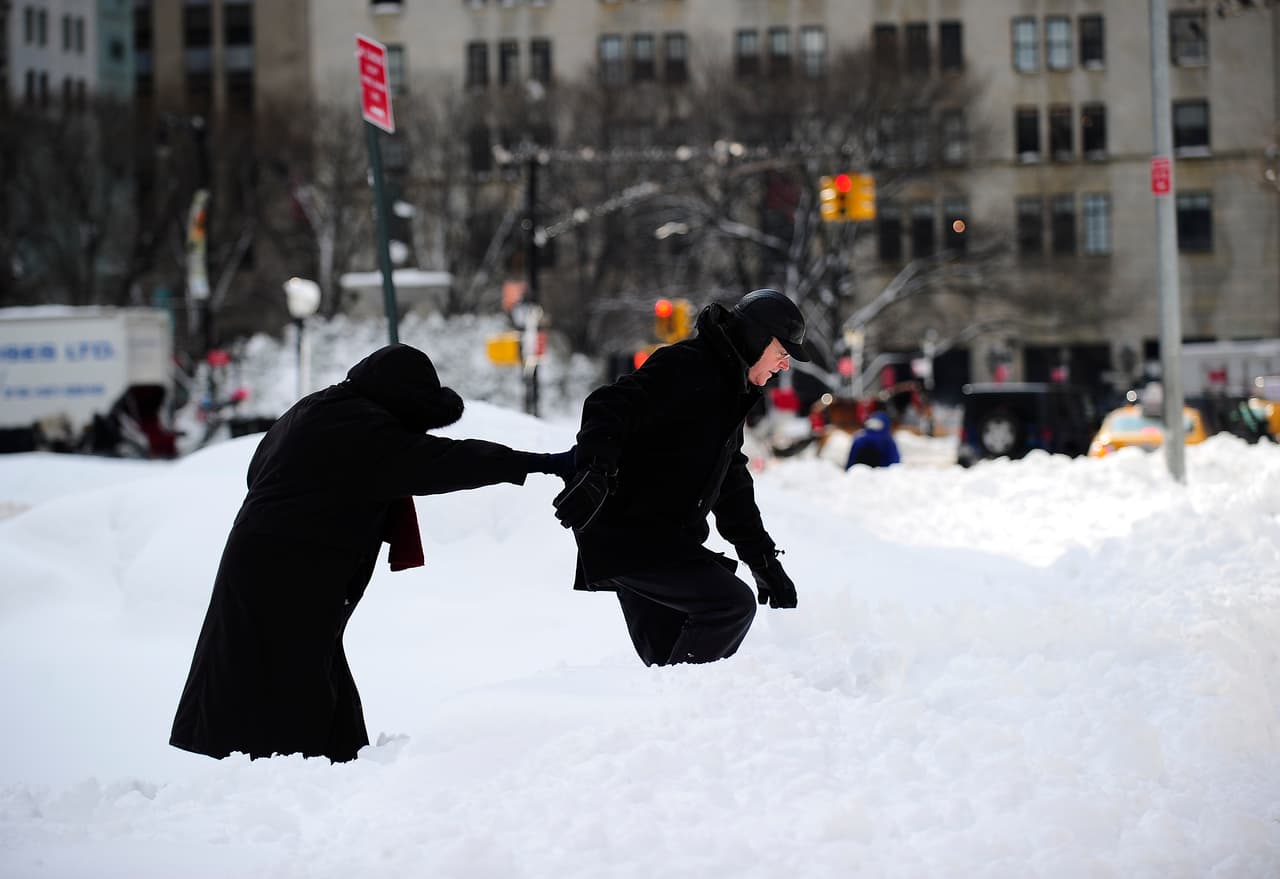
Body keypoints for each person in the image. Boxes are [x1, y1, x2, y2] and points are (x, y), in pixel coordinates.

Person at [170, 343, 574, 763]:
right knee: (287, 679)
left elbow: (258, 471)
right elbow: (446, 462)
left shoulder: (319, 408)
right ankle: (287, 776)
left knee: (301, 668)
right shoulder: (359, 428)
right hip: (289, 573)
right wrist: (540, 463)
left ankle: (333, 762)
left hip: (272, 562)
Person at [552, 289, 804, 667]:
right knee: (729, 606)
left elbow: (732, 489)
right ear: (756, 338)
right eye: (782, 352)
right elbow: (608, 404)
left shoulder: (730, 393)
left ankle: (676, 719)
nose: (785, 365)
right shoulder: (688, 367)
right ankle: (686, 711)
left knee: (669, 665)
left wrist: (763, 561)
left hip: (660, 541)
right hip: (630, 536)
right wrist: (595, 470)